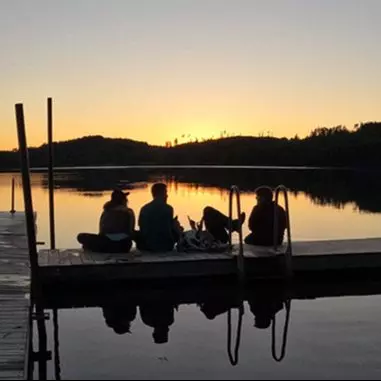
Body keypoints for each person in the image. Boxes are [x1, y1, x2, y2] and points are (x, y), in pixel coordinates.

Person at [137, 183, 182, 252]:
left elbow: (142, 227)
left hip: (147, 246)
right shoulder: (169, 208)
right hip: (167, 246)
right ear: (161, 193)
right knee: (178, 227)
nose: (167, 196)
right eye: (165, 193)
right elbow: (169, 228)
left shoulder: (144, 208)